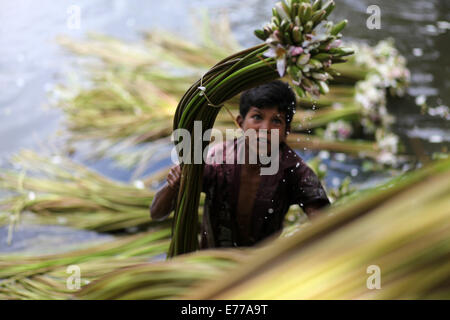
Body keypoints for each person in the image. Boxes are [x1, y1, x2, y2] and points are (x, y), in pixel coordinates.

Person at [150, 80, 330, 249]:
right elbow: (157, 212)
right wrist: (173, 186)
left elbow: (327, 226)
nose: (265, 129)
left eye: (276, 121)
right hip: (208, 264)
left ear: (286, 131)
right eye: (257, 117)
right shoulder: (216, 160)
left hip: (262, 270)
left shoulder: (295, 172)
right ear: (240, 123)